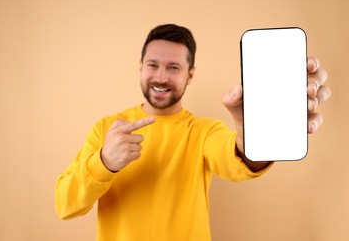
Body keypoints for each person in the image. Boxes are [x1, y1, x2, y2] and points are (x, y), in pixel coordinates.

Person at [55, 24, 331, 241]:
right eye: (153, 65)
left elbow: (238, 161)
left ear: (190, 74)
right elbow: (65, 205)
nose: (161, 77)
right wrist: (103, 162)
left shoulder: (203, 131)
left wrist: (256, 128)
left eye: (173, 67)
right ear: (140, 68)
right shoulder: (108, 129)